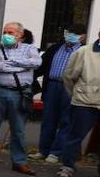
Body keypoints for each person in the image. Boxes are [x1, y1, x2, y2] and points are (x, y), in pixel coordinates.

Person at [58, 22, 100, 177]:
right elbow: (68, 77)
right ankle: (67, 166)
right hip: (85, 102)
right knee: (75, 136)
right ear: (99, 35)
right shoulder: (84, 52)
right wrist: (78, 94)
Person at [32, 23, 87, 164]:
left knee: (66, 121)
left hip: (71, 88)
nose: (70, 35)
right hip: (52, 86)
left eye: (75, 33)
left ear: (82, 37)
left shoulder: (84, 51)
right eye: (69, 32)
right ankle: (43, 150)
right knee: (48, 120)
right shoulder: (55, 48)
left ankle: (56, 153)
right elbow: (41, 67)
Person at [0, 21, 41, 176]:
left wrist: (12, 63)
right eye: (5, 32)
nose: (6, 35)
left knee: (18, 129)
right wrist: (23, 66)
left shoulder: (29, 48)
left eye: (11, 33)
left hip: (19, 93)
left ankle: (19, 161)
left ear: (20, 35)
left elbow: (36, 62)